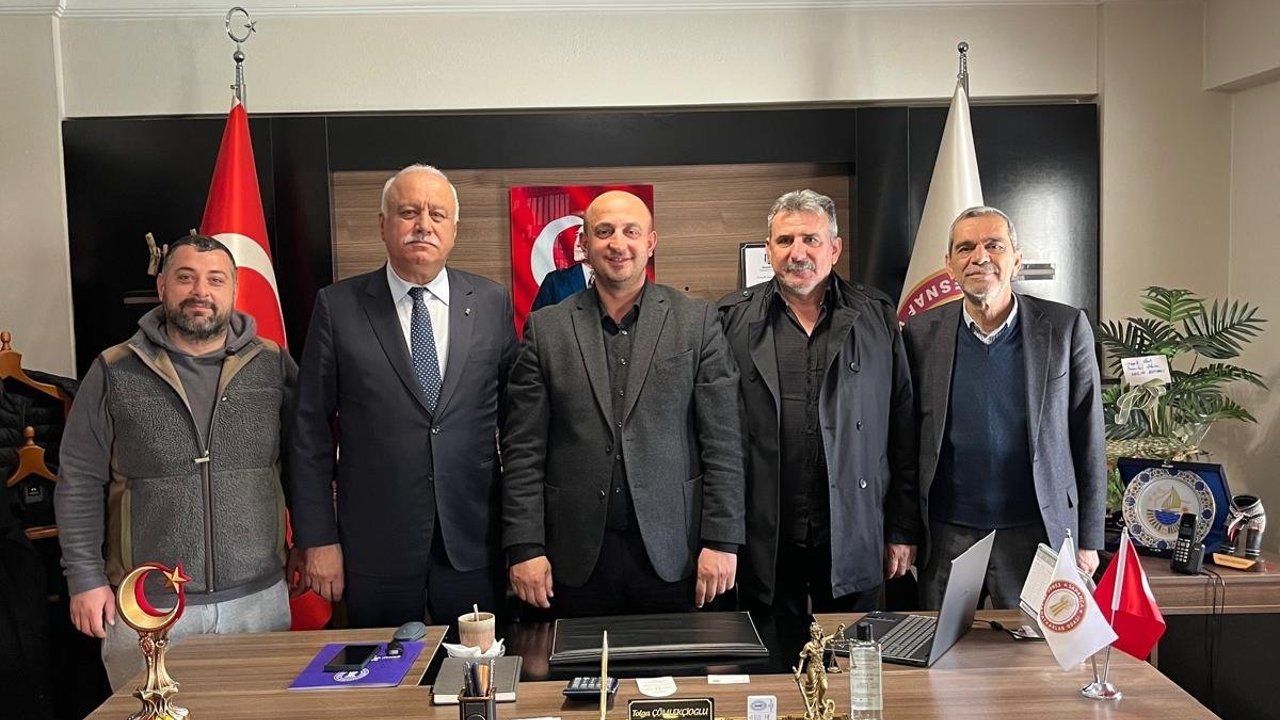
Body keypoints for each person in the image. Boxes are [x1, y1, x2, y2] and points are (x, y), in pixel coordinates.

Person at [55, 235, 296, 690]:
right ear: (162, 286)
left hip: (258, 601)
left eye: (215, 280)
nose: (200, 291)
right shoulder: (114, 369)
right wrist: (84, 578)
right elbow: (79, 481)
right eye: (186, 277)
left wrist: (309, 544)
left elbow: (304, 463)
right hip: (147, 604)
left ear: (234, 289)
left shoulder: (273, 364)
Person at [290, 164, 517, 628]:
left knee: (478, 668)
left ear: (454, 229)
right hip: (375, 547)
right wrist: (317, 538)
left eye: (437, 214)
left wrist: (523, 540)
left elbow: (518, 427)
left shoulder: (491, 303)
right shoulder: (337, 307)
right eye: (409, 212)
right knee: (381, 668)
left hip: (474, 543)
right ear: (383, 224)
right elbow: (308, 431)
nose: (423, 225)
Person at [503, 190, 744, 617]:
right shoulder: (546, 330)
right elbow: (523, 449)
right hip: (571, 558)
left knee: (677, 664)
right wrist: (524, 546)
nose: (618, 243)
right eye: (604, 232)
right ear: (583, 244)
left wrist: (722, 540)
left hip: (676, 553)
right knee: (567, 663)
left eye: (631, 231)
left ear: (651, 242)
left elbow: (723, 441)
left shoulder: (697, 321)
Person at [718, 189, 919, 615]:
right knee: (771, 652)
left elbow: (903, 428)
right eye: (785, 240)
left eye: (811, 239)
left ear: (834, 248)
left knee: (852, 650)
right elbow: (715, 438)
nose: (798, 253)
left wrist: (902, 528)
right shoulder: (729, 319)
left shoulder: (877, 315)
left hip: (853, 528)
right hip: (765, 535)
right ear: (769, 249)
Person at [903, 206, 1106, 609]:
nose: (980, 257)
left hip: (1037, 532)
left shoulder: (1065, 328)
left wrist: (1089, 540)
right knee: (944, 648)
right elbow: (906, 442)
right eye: (965, 248)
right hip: (947, 535)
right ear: (949, 265)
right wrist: (903, 529)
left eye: (994, 245)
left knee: (1036, 648)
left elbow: (1089, 438)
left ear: (1017, 259)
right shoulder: (921, 333)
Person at [531, 227, 592, 311]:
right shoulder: (555, 281)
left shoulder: (610, 278)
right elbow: (538, 318)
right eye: (577, 236)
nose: (577, 244)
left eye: (584, 238)